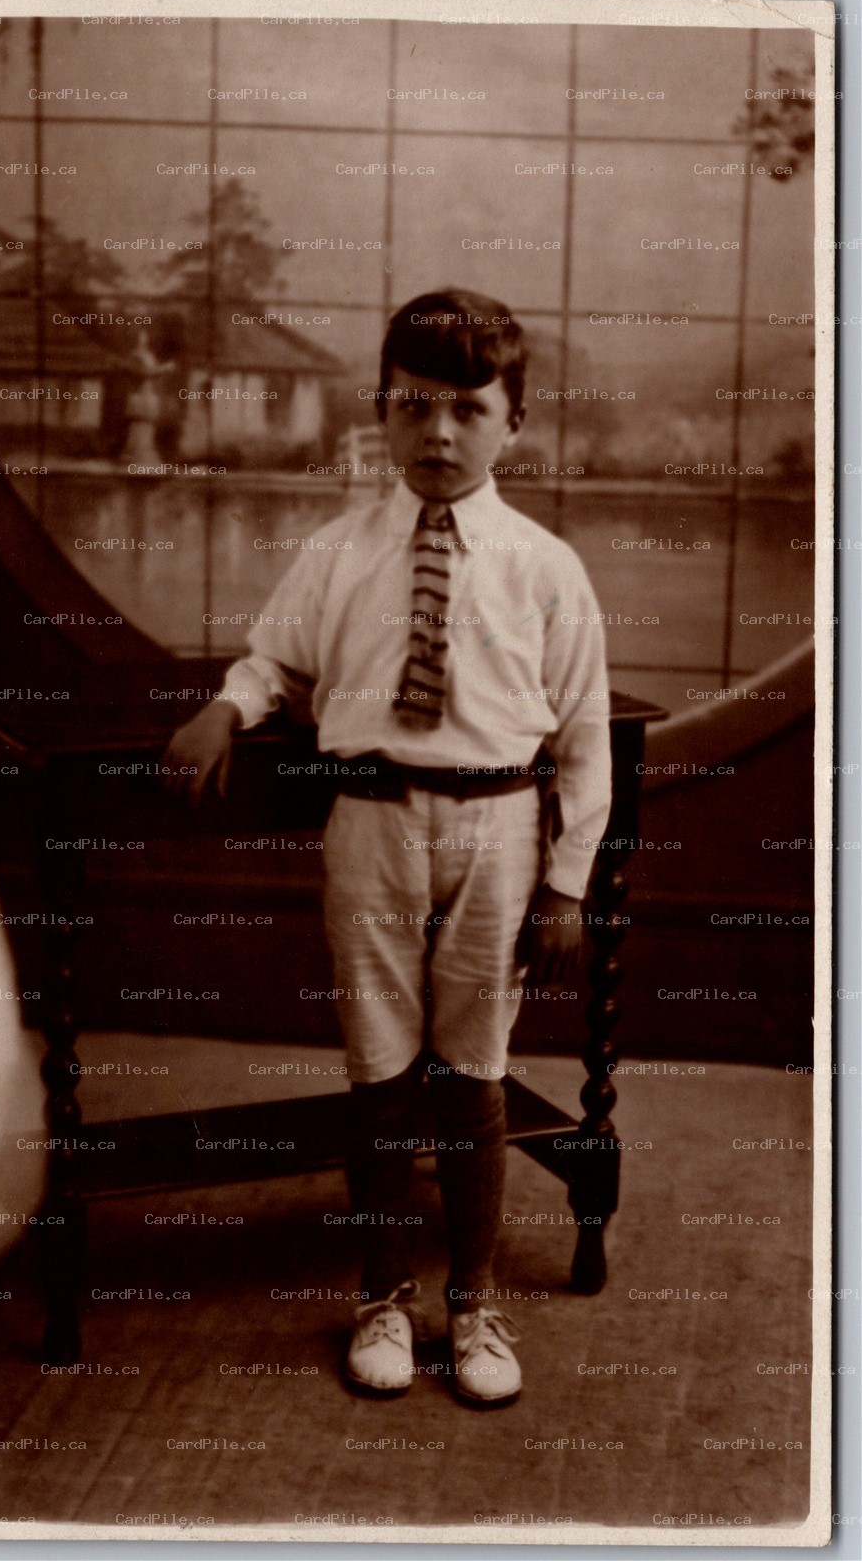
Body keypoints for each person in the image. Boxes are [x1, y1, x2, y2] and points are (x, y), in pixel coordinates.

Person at [163, 288, 612, 1407]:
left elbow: (584, 738)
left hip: (497, 831)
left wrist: (566, 886)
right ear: (380, 412)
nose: (438, 433)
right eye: (412, 406)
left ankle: (474, 1300)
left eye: (467, 409)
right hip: (370, 823)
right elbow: (277, 660)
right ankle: (381, 1295)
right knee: (378, 1070)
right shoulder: (339, 550)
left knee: (474, 1070)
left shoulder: (545, 567)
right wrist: (228, 705)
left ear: (514, 422)